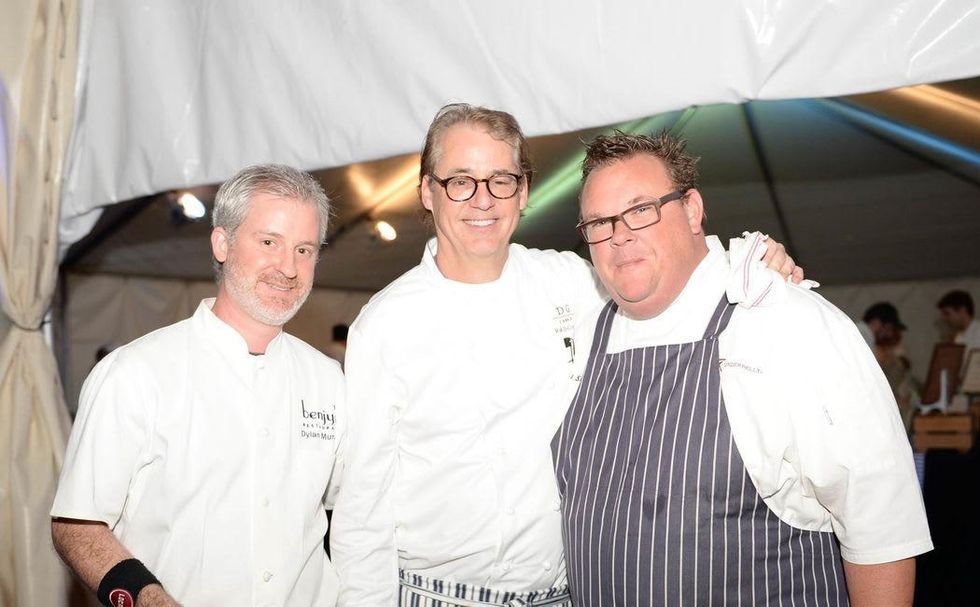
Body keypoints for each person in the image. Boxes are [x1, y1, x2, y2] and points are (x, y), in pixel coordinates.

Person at [330, 104, 801, 606]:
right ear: (427, 190)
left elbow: (663, 271)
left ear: (524, 190)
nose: (483, 200)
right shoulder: (385, 324)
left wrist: (749, 262)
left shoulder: (571, 282)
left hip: (563, 595)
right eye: (461, 181)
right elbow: (363, 510)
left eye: (501, 180)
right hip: (436, 595)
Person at [553, 132, 932, 605]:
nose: (619, 234)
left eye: (641, 210)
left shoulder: (784, 321)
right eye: (598, 222)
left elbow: (881, 526)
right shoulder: (583, 338)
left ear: (692, 209)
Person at [51, 165, 345, 606]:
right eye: (269, 242)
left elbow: (354, 511)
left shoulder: (329, 380)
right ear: (222, 243)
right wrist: (148, 599)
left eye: (304, 249)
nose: (288, 267)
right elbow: (77, 525)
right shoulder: (135, 374)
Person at [864, 302, 916, 430]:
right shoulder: (862, 334)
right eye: (888, 328)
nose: (889, 334)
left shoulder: (863, 335)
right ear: (876, 323)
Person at [937, 290, 980, 360]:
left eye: (947, 314)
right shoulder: (956, 338)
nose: (944, 319)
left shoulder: (978, 332)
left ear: (962, 311)